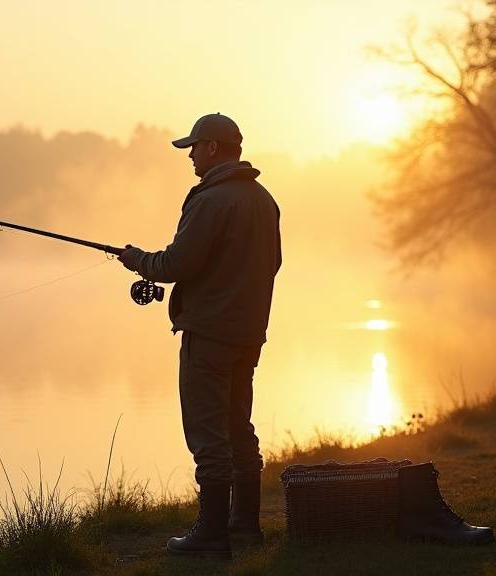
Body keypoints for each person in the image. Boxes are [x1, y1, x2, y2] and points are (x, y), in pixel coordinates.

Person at [119, 113, 282, 556]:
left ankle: (210, 538)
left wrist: (138, 260)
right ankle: (245, 529)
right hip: (249, 336)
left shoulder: (210, 200)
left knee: (208, 434)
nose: (190, 154)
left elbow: (176, 265)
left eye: (193, 146)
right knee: (239, 428)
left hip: (208, 336)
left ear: (212, 148)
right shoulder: (264, 200)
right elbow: (274, 264)